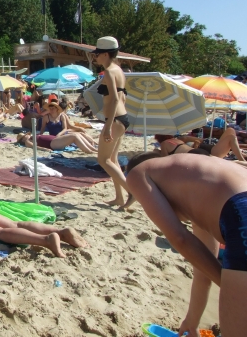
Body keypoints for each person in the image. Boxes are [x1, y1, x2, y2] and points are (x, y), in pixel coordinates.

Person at [125, 153, 247, 337]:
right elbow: (203, 270)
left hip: (241, 214)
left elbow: (179, 238)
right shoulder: (198, 185)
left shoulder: (137, 173)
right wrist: (192, 320)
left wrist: (227, 286)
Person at [92, 37, 130, 208]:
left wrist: (107, 127)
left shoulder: (109, 71)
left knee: (104, 160)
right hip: (122, 118)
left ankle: (132, 192)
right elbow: (123, 97)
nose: (95, 57)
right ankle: (119, 198)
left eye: (98, 54)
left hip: (114, 120)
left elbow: (114, 100)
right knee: (113, 160)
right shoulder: (118, 70)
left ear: (105, 54)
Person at [155, 131, 246, 161]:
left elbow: (165, 159)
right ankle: (242, 162)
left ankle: (242, 161)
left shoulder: (164, 143)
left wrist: (157, 152)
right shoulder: (177, 140)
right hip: (197, 152)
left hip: (193, 154)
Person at [17, 130, 98, 153]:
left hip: (54, 140)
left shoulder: (32, 137)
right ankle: (90, 150)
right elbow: (34, 147)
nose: (26, 136)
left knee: (77, 134)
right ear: (22, 140)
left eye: (25, 135)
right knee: (74, 136)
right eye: (24, 136)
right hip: (52, 143)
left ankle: (93, 149)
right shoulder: (28, 141)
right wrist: (45, 149)